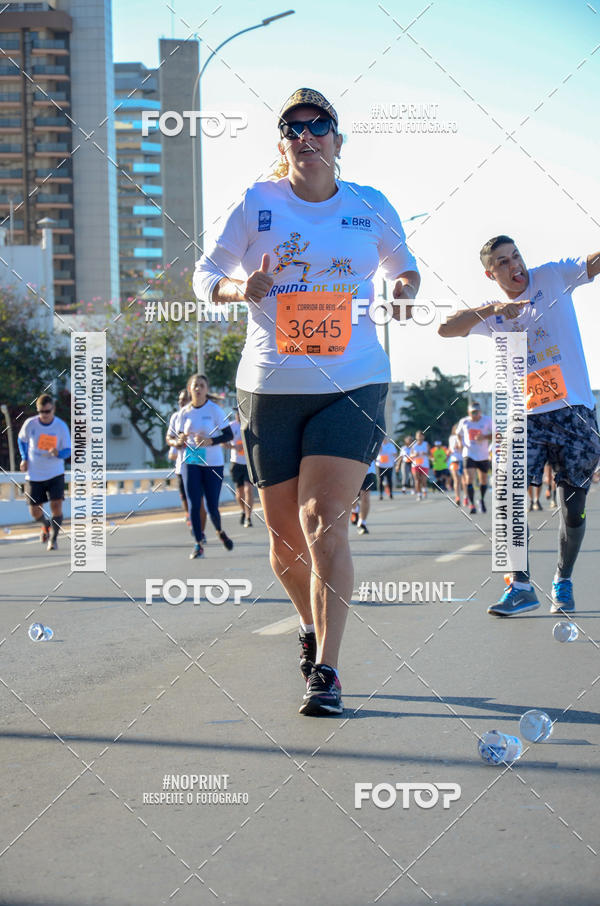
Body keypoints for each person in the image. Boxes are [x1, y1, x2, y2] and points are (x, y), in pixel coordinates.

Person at [193, 87, 420, 715]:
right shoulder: (255, 203)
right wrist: (241, 286)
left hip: (354, 381)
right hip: (270, 387)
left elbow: (407, 266)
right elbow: (202, 274)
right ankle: (310, 625)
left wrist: (403, 285)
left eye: (319, 126)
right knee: (285, 543)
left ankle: (327, 671)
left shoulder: (369, 206)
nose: (307, 135)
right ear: (282, 144)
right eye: (293, 128)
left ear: (338, 142)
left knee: (323, 518)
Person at [439, 235, 600, 615]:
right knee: (509, 498)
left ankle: (563, 577)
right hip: (525, 417)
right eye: (503, 262)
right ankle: (521, 585)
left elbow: (593, 262)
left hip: (574, 413)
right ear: (490, 272)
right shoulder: (493, 314)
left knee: (572, 508)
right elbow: (446, 329)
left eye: (516, 256)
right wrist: (492, 309)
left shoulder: (553, 276)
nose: (515, 266)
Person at [174, 374, 234, 559]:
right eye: (195, 386)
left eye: (201, 385)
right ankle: (198, 544)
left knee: (211, 506)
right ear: (190, 389)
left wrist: (210, 441)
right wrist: (181, 439)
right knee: (193, 504)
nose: (198, 389)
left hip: (213, 462)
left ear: (207, 389)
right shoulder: (184, 413)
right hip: (191, 458)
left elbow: (229, 435)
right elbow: (177, 436)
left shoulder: (214, 410)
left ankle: (219, 531)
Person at [18, 394, 70, 551]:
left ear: (53, 409)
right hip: (34, 474)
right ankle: (45, 525)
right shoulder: (30, 424)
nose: (45, 415)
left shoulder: (60, 426)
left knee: (56, 505)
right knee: (34, 511)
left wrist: (58, 453)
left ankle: (53, 539)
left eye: (47, 411)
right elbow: (22, 440)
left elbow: (68, 450)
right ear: (38, 410)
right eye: (41, 411)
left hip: (55, 473)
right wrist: (24, 458)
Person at [455, 401, 493, 514]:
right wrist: (460, 443)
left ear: (480, 412)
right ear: (469, 412)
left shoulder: (487, 420)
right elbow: (458, 433)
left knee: (483, 480)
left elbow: (497, 433)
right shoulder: (464, 421)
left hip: (483, 455)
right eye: (473, 412)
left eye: (477, 412)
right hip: (469, 453)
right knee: (469, 478)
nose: (475, 415)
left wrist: (484, 436)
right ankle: (472, 504)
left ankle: (481, 499)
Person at [229, 407, 254, 527]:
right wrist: (234, 447)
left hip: (249, 463)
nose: (238, 415)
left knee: (248, 489)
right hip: (236, 463)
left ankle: (248, 517)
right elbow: (223, 443)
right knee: (239, 493)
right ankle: (243, 510)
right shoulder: (231, 426)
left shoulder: (250, 426)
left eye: (240, 412)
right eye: (237, 413)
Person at [356, 460, 376, 534]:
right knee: (351, 497)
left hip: (368, 470)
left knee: (365, 497)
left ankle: (362, 523)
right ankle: (355, 510)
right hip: (351, 468)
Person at [410, 430, 430, 500]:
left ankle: (424, 491)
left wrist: (425, 453)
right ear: (416, 437)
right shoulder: (414, 445)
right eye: (418, 436)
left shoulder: (426, 444)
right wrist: (414, 455)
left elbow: (429, 454)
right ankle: (419, 494)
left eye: (421, 436)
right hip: (415, 465)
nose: (419, 437)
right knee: (417, 480)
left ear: (423, 437)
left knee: (424, 480)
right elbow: (410, 456)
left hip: (424, 464)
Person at [447, 424, 463, 505]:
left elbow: (463, 447)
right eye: (456, 429)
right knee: (456, 480)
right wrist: (448, 452)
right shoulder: (451, 438)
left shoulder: (464, 437)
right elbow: (450, 448)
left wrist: (460, 444)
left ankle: (466, 497)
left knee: (463, 481)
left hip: (462, 460)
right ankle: (457, 497)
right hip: (454, 460)